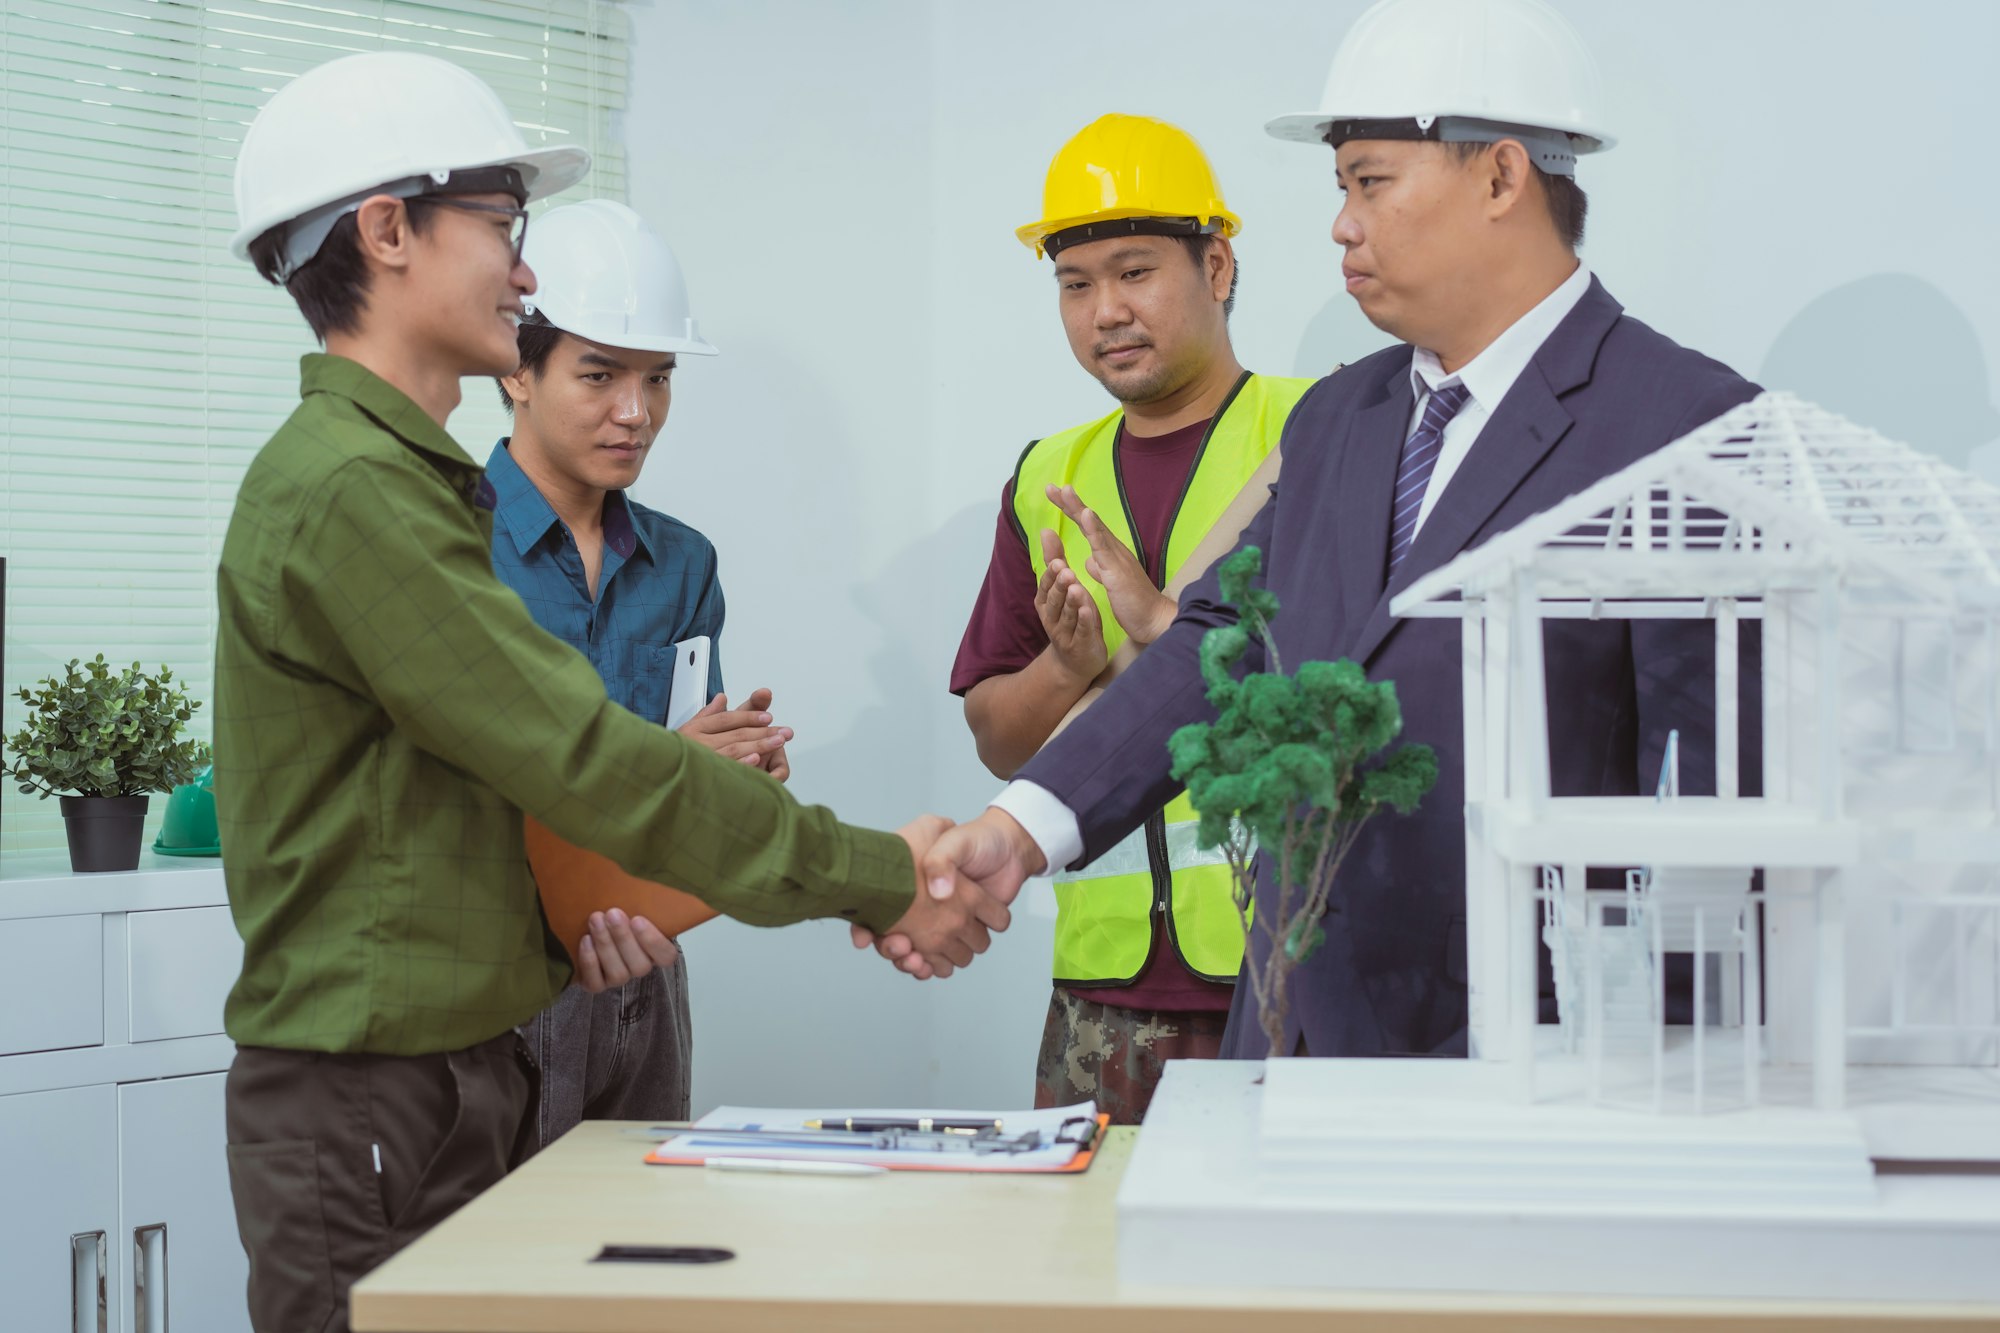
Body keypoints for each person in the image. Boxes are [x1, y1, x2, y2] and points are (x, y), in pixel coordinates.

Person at [216, 51, 1004, 1333]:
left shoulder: (407, 489)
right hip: (372, 1095)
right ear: (385, 232)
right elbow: (586, 760)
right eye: (499, 228)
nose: (522, 271)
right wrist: (879, 874)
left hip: (453, 1071)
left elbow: (489, 816)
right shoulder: (351, 492)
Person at [873, 0, 1758, 1061]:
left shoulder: (1680, 427)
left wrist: (1689, 1095)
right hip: (1289, 1037)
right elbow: (1215, 642)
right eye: (1339, 188)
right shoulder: (1342, 419)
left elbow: (1724, 820)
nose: (1340, 223)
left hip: (1528, 1073)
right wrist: (1017, 834)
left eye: (1368, 182)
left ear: (1500, 177)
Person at [951, 113, 1311, 1121]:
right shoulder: (1044, 477)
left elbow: (1355, 703)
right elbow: (993, 740)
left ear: (1218, 265)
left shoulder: (1317, 433)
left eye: (1134, 271)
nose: (1105, 309)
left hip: (1278, 977)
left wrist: (1162, 627)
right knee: (1078, 1266)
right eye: (1074, 284)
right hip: (1096, 998)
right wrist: (1066, 667)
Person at [486, 199, 791, 1149]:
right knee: (498, 1276)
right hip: (497, 977)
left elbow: (690, 818)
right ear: (515, 372)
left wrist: (735, 780)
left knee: (635, 1260)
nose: (636, 411)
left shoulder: (685, 563)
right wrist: (667, 763)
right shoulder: (446, 544)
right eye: (600, 374)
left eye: (657, 378)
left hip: (648, 973)